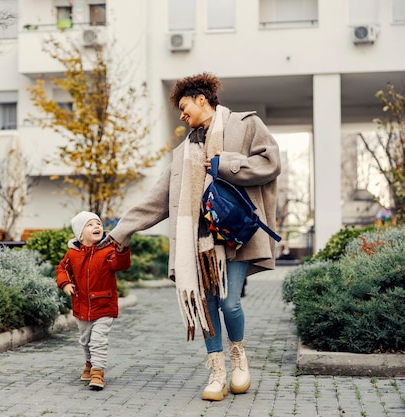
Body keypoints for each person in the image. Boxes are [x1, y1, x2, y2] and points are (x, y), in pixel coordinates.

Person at [109, 72, 281, 401]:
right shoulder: (181, 153)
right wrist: (120, 231)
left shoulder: (245, 125)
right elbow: (157, 201)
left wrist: (223, 164)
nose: (182, 115)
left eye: (185, 106)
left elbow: (270, 162)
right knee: (206, 305)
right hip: (198, 241)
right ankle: (217, 370)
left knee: (230, 303)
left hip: (235, 234)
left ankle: (238, 358)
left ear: (202, 100)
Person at [55, 211, 131, 391]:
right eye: (90, 225)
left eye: (98, 223)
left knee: (98, 340)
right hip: (81, 305)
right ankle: (89, 363)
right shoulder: (72, 254)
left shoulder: (108, 250)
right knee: (85, 340)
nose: (97, 227)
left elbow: (120, 265)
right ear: (80, 234)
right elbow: (61, 269)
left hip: (104, 305)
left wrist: (122, 250)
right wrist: (65, 283)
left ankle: (98, 372)